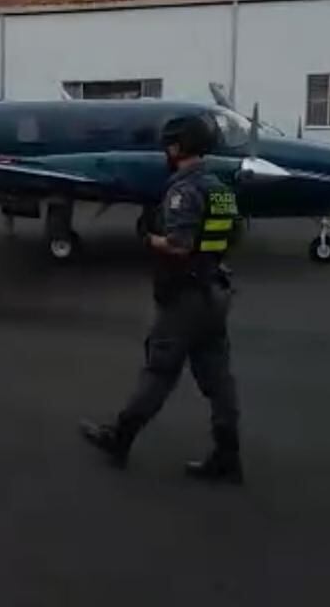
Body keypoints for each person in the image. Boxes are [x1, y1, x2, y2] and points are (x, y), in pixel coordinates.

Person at [79, 114, 244, 483]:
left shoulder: (183, 190)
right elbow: (233, 237)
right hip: (216, 292)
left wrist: (147, 238)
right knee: (218, 380)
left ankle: (119, 439)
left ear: (177, 147)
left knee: (159, 371)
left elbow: (178, 246)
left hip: (185, 297)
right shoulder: (220, 187)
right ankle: (227, 455)